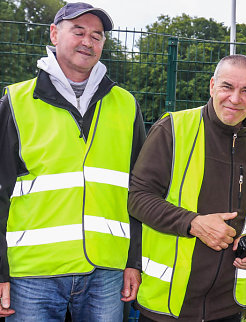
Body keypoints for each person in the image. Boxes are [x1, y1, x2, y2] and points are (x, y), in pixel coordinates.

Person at [0, 2, 145, 320]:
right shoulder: (16, 103)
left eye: (97, 35)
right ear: (54, 34)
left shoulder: (126, 105)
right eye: (78, 31)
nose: (88, 41)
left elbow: (140, 191)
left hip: (106, 271)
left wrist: (134, 261)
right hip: (32, 274)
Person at [127, 54, 246, 322]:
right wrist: (193, 223)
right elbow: (137, 198)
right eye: (227, 87)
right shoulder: (172, 128)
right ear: (212, 86)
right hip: (168, 304)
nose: (235, 98)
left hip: (228, 305)